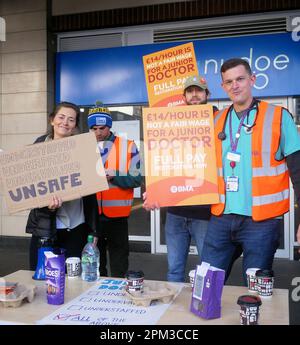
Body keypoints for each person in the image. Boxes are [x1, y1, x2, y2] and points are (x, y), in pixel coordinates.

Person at [201, 58, 300, 283]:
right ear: (223, 86)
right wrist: (161, 192)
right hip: (221, 217)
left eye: (240, 79)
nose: (235, 85)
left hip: (262, 221)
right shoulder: (216, 120)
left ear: (252, 80)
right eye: (228, 82)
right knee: (206, 286)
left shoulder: (279, 117)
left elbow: (298, 171)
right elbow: (195, 165)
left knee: (256, 290)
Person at [144, 76, 218, 282]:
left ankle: (207, 305)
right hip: (175, 212)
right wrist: (153, 189)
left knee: (207, 270)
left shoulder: (219, 121)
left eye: (199, 91)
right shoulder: (170, 122)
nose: (194, 95)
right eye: (190, 91)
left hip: (205, 211)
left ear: (207, 95)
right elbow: (159, 158)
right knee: (174, 270)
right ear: (184, 96)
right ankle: (172, 311)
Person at [26, 102, 99, 271]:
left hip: (76, 227)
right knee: (43, 278)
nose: (65, 122)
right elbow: (31, 191)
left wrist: (94, 230)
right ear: (52, 120)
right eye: (61, 117)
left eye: (71, 119)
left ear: (74, 126)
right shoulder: (36, 148)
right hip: (46, 228)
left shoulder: (84, 149)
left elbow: (91, 195)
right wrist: (47, 206)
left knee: (73, 279)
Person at [88, 104, 141, 278]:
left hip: (117, 217)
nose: (98, 132)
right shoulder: (83, 148)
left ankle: (118, 296)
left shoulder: (129, 146)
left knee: (119, 261)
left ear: (110, 126)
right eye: (93, 128)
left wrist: (115, 176)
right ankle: (95, 295)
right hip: (91, 216)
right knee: (95, 262)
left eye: (102, 128)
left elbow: (136, 179)